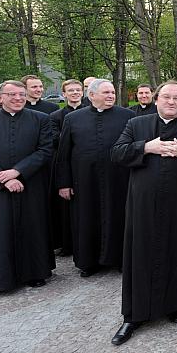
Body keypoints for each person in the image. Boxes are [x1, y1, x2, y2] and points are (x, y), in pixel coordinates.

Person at [109, 81, 177, 345]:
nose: (171, 102)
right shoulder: (136, 124)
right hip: (143, 205)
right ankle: (134, 314)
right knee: (142, 252)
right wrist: (146, 147)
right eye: (166, 97)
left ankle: (176, 304)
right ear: (156, 99)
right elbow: (116, 153)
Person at [0, 80, 55, 296]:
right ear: (0, 98)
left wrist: (18, 171)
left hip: (30, 183)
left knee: (32, 226)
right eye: (12, 94)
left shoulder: (41, 119)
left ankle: (34, 272)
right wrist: (4, 180)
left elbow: (45, 150)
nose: (18, 98)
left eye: (21, 94)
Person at [55, 79, 135, 277]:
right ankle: (88, 262)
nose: (111, 96)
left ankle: (120, 259)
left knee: (119, 216)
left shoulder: (128, 116)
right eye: (106, 92)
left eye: (112, 92)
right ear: (91, 95)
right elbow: (63, 154)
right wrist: (64, 183)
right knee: (86, 218)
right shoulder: (73, 119)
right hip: (84, 180)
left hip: (118, 178)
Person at [48, 79, 86, 257]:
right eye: (71, 90)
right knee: (65, 206)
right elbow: (55, 140)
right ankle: (67, 244)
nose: (75, 93)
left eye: (78, 90)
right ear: (64, 94)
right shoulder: (56, 116)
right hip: (64, 162)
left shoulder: (90, 112)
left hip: (84, 164)